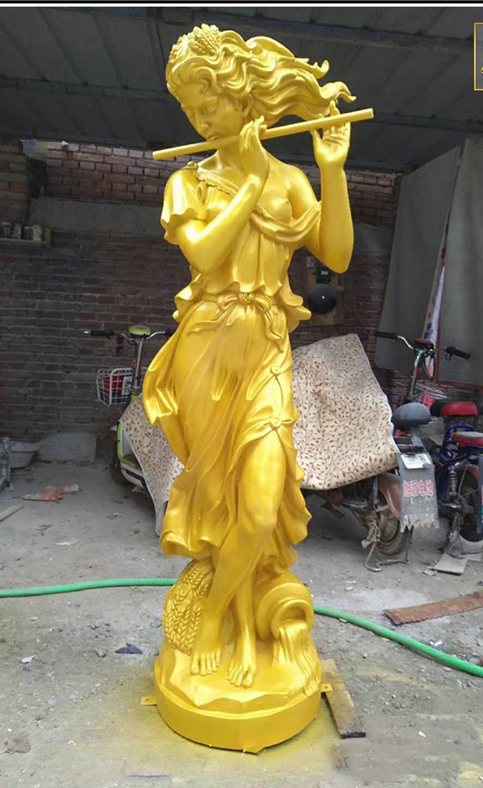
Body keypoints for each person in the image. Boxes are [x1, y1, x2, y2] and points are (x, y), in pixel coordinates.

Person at [143, 24, 354, 689]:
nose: (200, 120)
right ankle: (224, 619)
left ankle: (218, 618)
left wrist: (330, 170)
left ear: (242, 97)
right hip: (205, 352)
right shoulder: (189, 182)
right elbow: (205, 255)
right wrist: (248, 181)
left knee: (260, 508)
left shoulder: (289, 181)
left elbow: (337, 254)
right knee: (219, 507)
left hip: (266, 352)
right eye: (190, 109)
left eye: (208, 104)